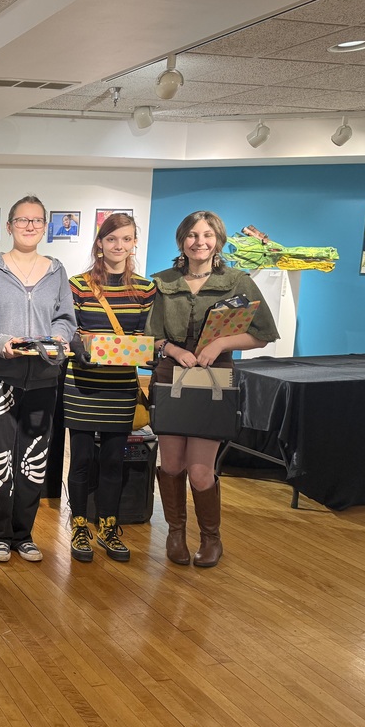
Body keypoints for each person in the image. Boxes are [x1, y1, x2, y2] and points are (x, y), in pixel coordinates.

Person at [147, 210, 278, 568]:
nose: (199, 242)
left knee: (200, 469)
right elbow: (148, 336)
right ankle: (176, 534)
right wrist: (172, 349)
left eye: (207, 235)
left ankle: (210, 538)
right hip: (170, 375)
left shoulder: (239, 281)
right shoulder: (161, 281)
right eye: (192, 235)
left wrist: (220, 345)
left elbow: (264, 334)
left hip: (214, 378)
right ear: (181, 240)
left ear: (218, 240)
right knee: (171, 464)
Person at [0, 195, 75, 563]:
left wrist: (59, 336)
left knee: (35, 458)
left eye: (36, 221)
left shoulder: (56, 271)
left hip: (44, 379)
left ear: (45, 226)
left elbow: (66, 318)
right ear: (10, 225)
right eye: (22, 220)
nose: (29, 226)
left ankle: (23, 534)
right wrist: (0, 344)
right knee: (0, 458)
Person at [64, 213, 155, 563]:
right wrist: (83, 343)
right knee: (83, 460)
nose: (119, 245)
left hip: (120, 386)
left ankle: (109, 527)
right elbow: (70, 331)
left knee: (114, 460)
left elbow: (146, 336)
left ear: (133, 244)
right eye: (112, 239)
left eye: (127, 239)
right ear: (100, 243)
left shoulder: (146, 288)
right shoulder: (78, 284)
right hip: (83, 384)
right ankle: (79, 526)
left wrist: (139, 346)